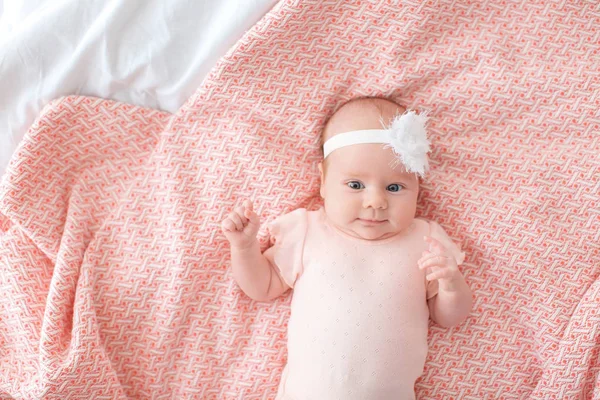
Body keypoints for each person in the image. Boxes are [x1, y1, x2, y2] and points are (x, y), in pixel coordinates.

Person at [221, 97, 473, 399]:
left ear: (418, 187)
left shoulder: (425, 240)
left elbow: (448, 317)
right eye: (355, 185)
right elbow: (262, 287)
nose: (376, 201)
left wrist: (451, 284)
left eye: (395, 188)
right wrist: (245, 247)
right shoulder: (306, 230)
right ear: (324, 181)